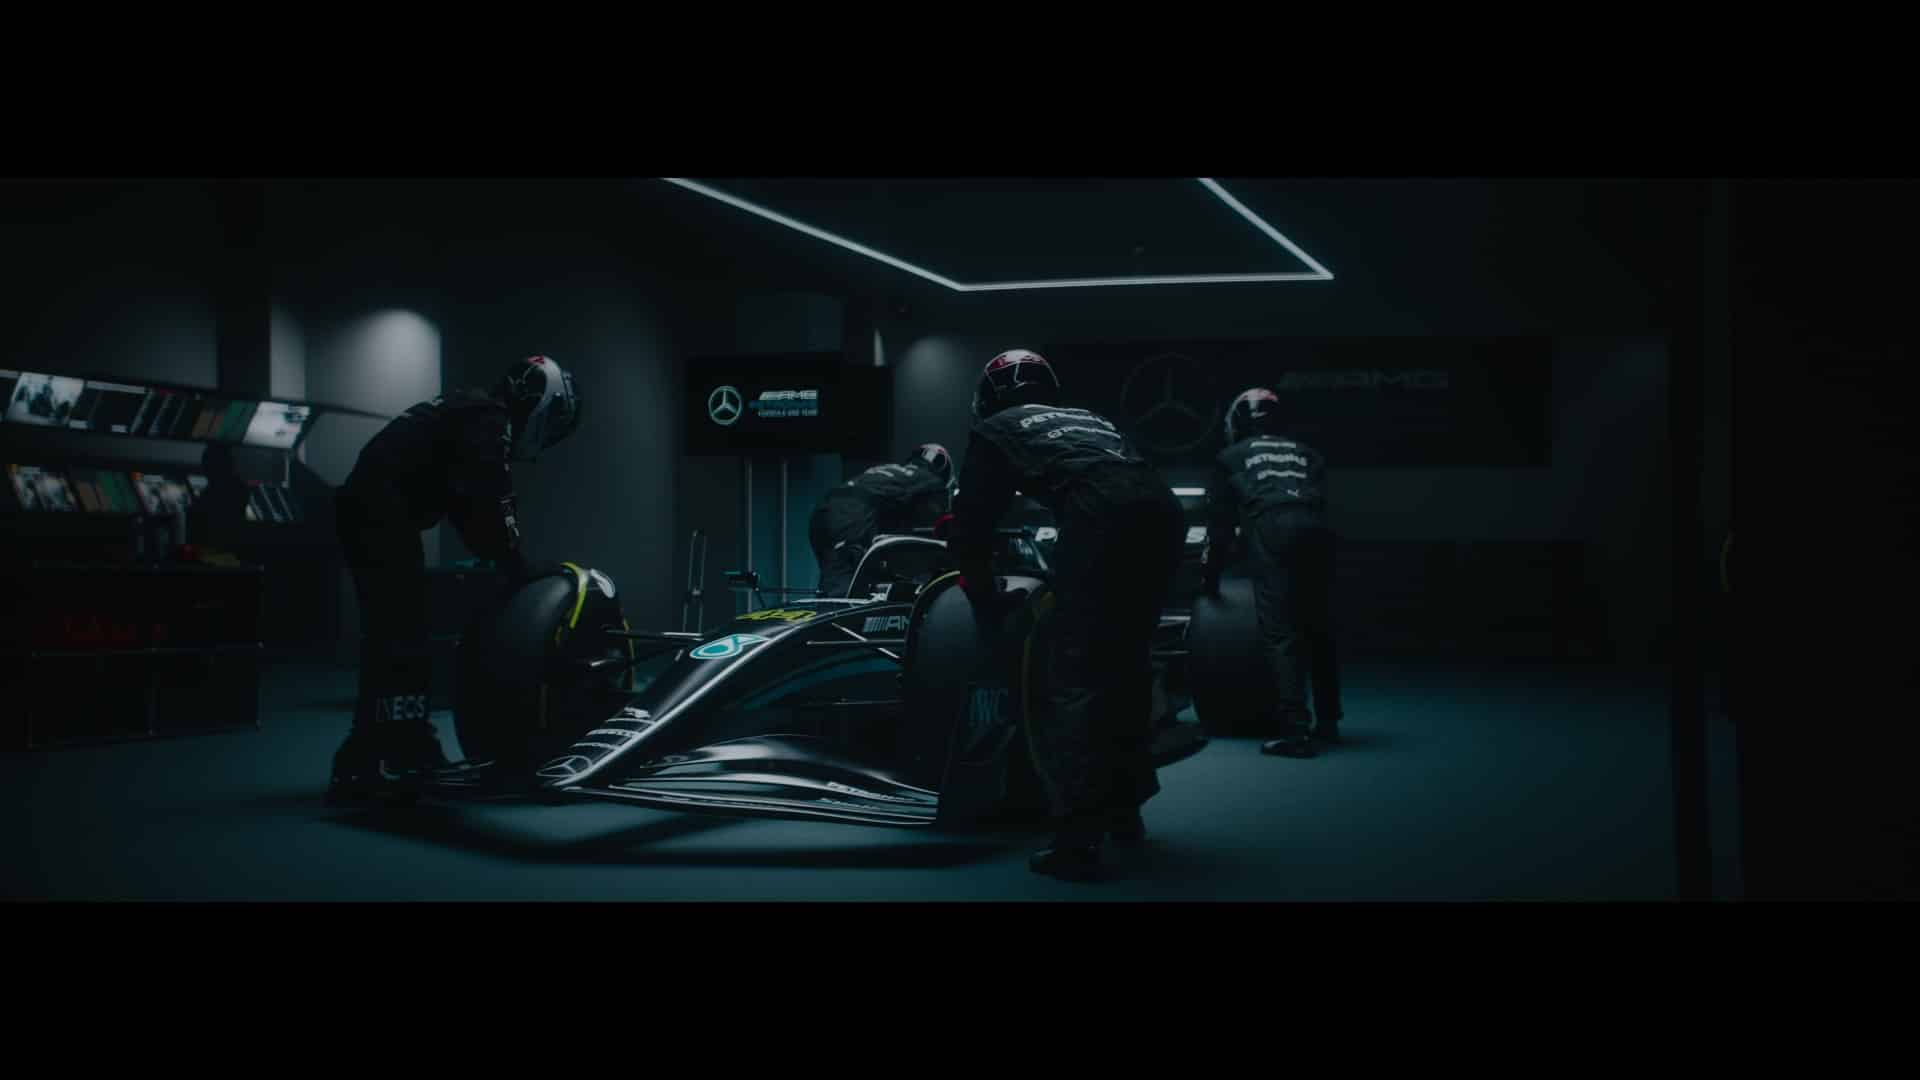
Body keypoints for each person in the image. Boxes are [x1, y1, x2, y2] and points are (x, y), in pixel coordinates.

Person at [946, 348, 1185, 882]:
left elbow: (971, 526)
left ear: (988, 395)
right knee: (1126, 667)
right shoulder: (1089, 419)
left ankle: (1077, 840)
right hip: (1163, 515)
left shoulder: (997, 428)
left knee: (1075, 678)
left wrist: (985, 601)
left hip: (1102, 518)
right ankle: (1125, 812)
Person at [327, 356, 581, 802]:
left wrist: (503, 558)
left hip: (370, 509)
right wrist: (519, 566)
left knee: (396, 630)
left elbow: (468, 507)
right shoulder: (490, 422)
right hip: (378, 513)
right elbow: (491, 504)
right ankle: (387, 751)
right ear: (540, 403)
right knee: (400, 633)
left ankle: (386, 746)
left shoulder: (472, 410)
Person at [1201, 387, 1342, 758]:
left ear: (1238, 421)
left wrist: (1210, 579)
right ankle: (1329, 721)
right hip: (1318, 533)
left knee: (1282, 634)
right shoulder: (1309, 453)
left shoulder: (1230, 456)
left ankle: (1295, 734)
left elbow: (1219, 528)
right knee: (1319, 630)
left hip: (1273, 529)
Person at [808, 443, 953, 597]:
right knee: (845, 582)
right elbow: (940, 510)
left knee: (835, 572)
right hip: (851, 514)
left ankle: (825, 602)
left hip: (822, 511)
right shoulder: (926, 477)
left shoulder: (891, 471)